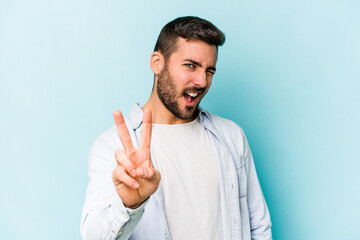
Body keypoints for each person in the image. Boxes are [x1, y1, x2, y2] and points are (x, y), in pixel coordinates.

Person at [81, 16, 272, 240]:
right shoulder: (112, 146)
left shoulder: (232, 137)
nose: (201, 81)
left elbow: (259, 228)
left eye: (209, 71)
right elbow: (93, 236)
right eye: (190, 66)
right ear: (157, 63)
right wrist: (130, 204)